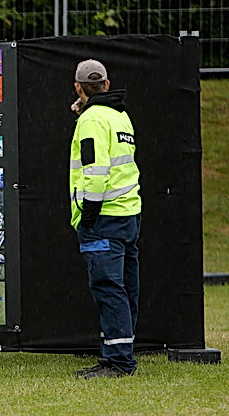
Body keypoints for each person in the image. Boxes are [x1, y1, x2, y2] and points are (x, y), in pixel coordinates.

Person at [67, 59, 142, 379]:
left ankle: (119, 362)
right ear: (107, 85)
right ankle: (118, 350)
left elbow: (95, 170)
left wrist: (89, 215)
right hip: (128, 214)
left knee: (108, 287)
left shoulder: (92, 120)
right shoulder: (119, 115)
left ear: (78, 87)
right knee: (125, 287)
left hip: (104, 217)